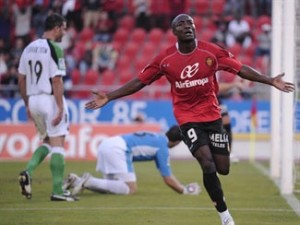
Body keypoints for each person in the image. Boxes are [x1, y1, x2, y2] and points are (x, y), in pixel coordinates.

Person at [85, 14, 295, 225]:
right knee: (206, 162)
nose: (187, 26)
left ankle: (211, 155)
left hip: (212, 115)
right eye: (181, 24)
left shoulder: (211, 51)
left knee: (223, 168)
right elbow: (140, 81)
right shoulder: (165, 59)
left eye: (190, 23)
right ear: (174, 32)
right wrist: (110, 96)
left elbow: (240, 68)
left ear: (195, 29)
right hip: (187, 117)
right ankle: (225, 215)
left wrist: (269, 80)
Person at [18, 13, 78, 202]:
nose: (65, 31)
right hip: (50, 99)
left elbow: (21, 78)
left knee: (46, 141)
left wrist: (27, 103)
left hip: (34, 99)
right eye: (64, 27)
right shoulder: (55, 49)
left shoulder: (28, 48)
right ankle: (57, 191)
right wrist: (60, 108)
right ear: (57, 27)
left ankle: (28, 171)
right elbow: (57, 80)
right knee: (58, 143)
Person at [63, 125, 200, 196]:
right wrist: (184, 190)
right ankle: (88, 180)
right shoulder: (162, 147)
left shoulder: (157, 137)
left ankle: (77, 181)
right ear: (177, 142)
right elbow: (167, 178)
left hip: (107, 144)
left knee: (111, 188)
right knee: (131, 189)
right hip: (119, 149)